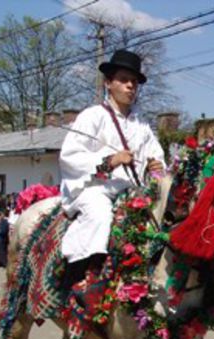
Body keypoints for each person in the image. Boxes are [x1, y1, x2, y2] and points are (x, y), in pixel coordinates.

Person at [60, 49, 165, 285]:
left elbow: (156, 155)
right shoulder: (93, 116)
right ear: (109, 83)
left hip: (132, 191)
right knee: (99, 214)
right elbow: (70, 156)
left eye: (134, 82)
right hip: (96, 188)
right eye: (124, 80)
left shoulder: (142, 125)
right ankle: (82, 277)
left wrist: (157, 166)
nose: (130, 86)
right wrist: (110, 160)